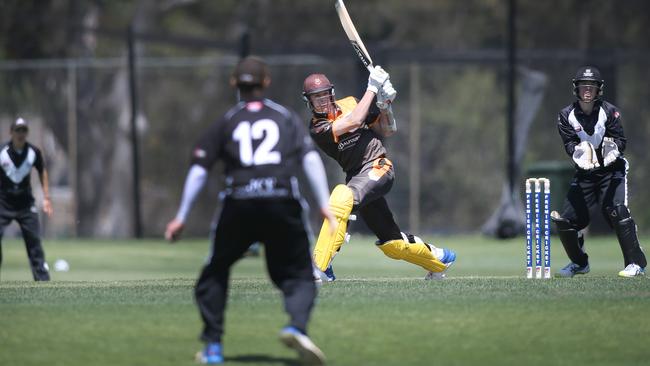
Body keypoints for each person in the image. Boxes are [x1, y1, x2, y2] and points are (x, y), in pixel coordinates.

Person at [165, 56, 333, 365]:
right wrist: (324, 203)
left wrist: (182, 216)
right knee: (299, 274)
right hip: (282, 200)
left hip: (239, 202)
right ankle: (296, 325)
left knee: (216, 271)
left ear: (234, 85)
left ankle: (213, 345)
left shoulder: (227, 120)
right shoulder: (284, 117)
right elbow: (309, 159)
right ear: (266, 83)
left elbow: (200, 170)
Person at [302, 66, 456, 281]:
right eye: (315, 97)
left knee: (341, 196)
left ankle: (320, 268)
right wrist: (373, 89)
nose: (321, 101)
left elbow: (388, 129)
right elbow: (354, 121)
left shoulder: (351, 103)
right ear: (308, 101)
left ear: (332, 93)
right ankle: (439, 259)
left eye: (324, 95)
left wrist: (385, 106)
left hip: (378, 166)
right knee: (392, 245)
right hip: (357, 178)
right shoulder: (317, 128)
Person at [552, 66, 646, 278]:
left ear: (598, 90)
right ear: (576, 89)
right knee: (566, 221)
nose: (587, 90)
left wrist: (613, 150)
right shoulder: (566, 115)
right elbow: (568, 143)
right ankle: (579, 263)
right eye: (584, 86)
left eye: (592, 87)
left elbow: (621, 140)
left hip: (612, 172)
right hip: (585, 173)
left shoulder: (609, 112)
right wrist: (578, 152)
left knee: (617, 211)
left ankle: (635, 263)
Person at [0, 118, 52, 281]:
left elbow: (42, 170)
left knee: (34, 240)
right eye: (17, 130)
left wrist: (46, 198)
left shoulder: (33, 152)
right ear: (11, 132)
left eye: (23, 130)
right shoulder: (2, 152)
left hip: (25, 203)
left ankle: (42, 278)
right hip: (3, 202)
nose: (20, 134)